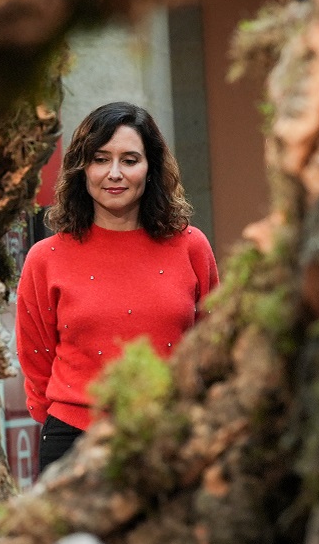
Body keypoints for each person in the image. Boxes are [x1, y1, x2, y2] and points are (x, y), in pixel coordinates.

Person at [16, 102, 219, 473]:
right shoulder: (45, 258)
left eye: (129, 160)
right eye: (100, 159)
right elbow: (36, 358)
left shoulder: (192, 246)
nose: (114, 174)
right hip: (73, 442)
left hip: (170, 437)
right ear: (82, 168)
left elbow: (212, 346)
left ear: (150, 167)